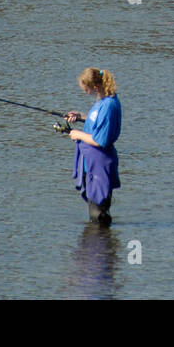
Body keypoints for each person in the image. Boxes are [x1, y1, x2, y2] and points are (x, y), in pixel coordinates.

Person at [62, 67, 121, 227]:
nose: (86, 93)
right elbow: (97, 122)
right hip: (91, 162)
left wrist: (77, 134)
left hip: (100, 163)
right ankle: (96, 245)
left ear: (96, 87)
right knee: (93, 207)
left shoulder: (109, 105)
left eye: (87, 90)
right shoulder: (102, 101)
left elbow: (100, 140)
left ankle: (100, 247)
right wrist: (81, 116)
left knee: (98, 212)